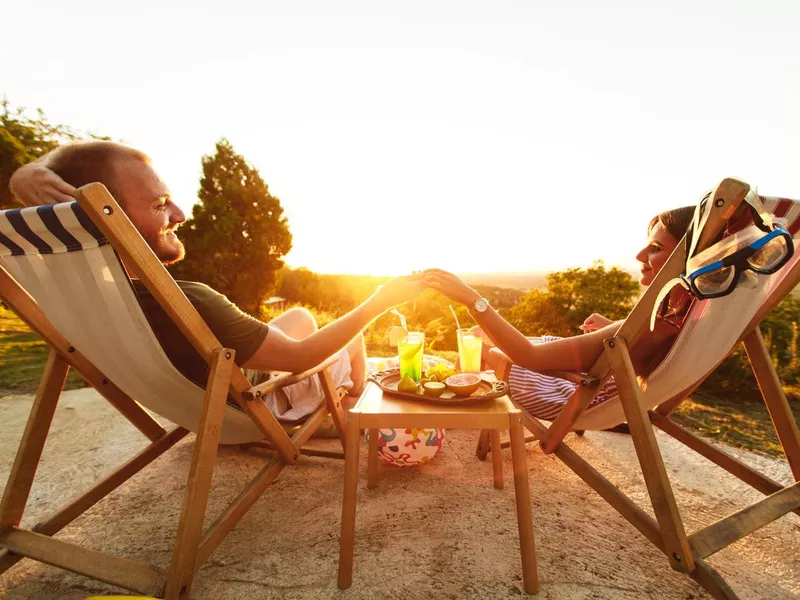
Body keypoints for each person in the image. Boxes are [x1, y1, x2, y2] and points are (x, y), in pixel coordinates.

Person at [9, 141, 423, 422]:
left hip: (194, 406)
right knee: (350, 333)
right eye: (159, 204)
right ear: (101, 217)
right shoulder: (187, 302)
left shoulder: (73, 300)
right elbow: (300, 359)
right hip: (256, 406)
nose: (181, 213)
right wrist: (380, 300)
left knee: (298, 314)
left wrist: (28, 173)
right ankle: (351, 402)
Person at [421, 206, 694, 422]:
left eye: (655, 249)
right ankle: (462, 407)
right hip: (599, 385)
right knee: (480, 336)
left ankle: (458, 411)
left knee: (477, 344)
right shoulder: (681, 322)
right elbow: (645, 353)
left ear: (691, 258)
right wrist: (614, 329)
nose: (639, 255)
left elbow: (530, 357)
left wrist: (473, 300)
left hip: (570, 396)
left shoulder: (653, 328)